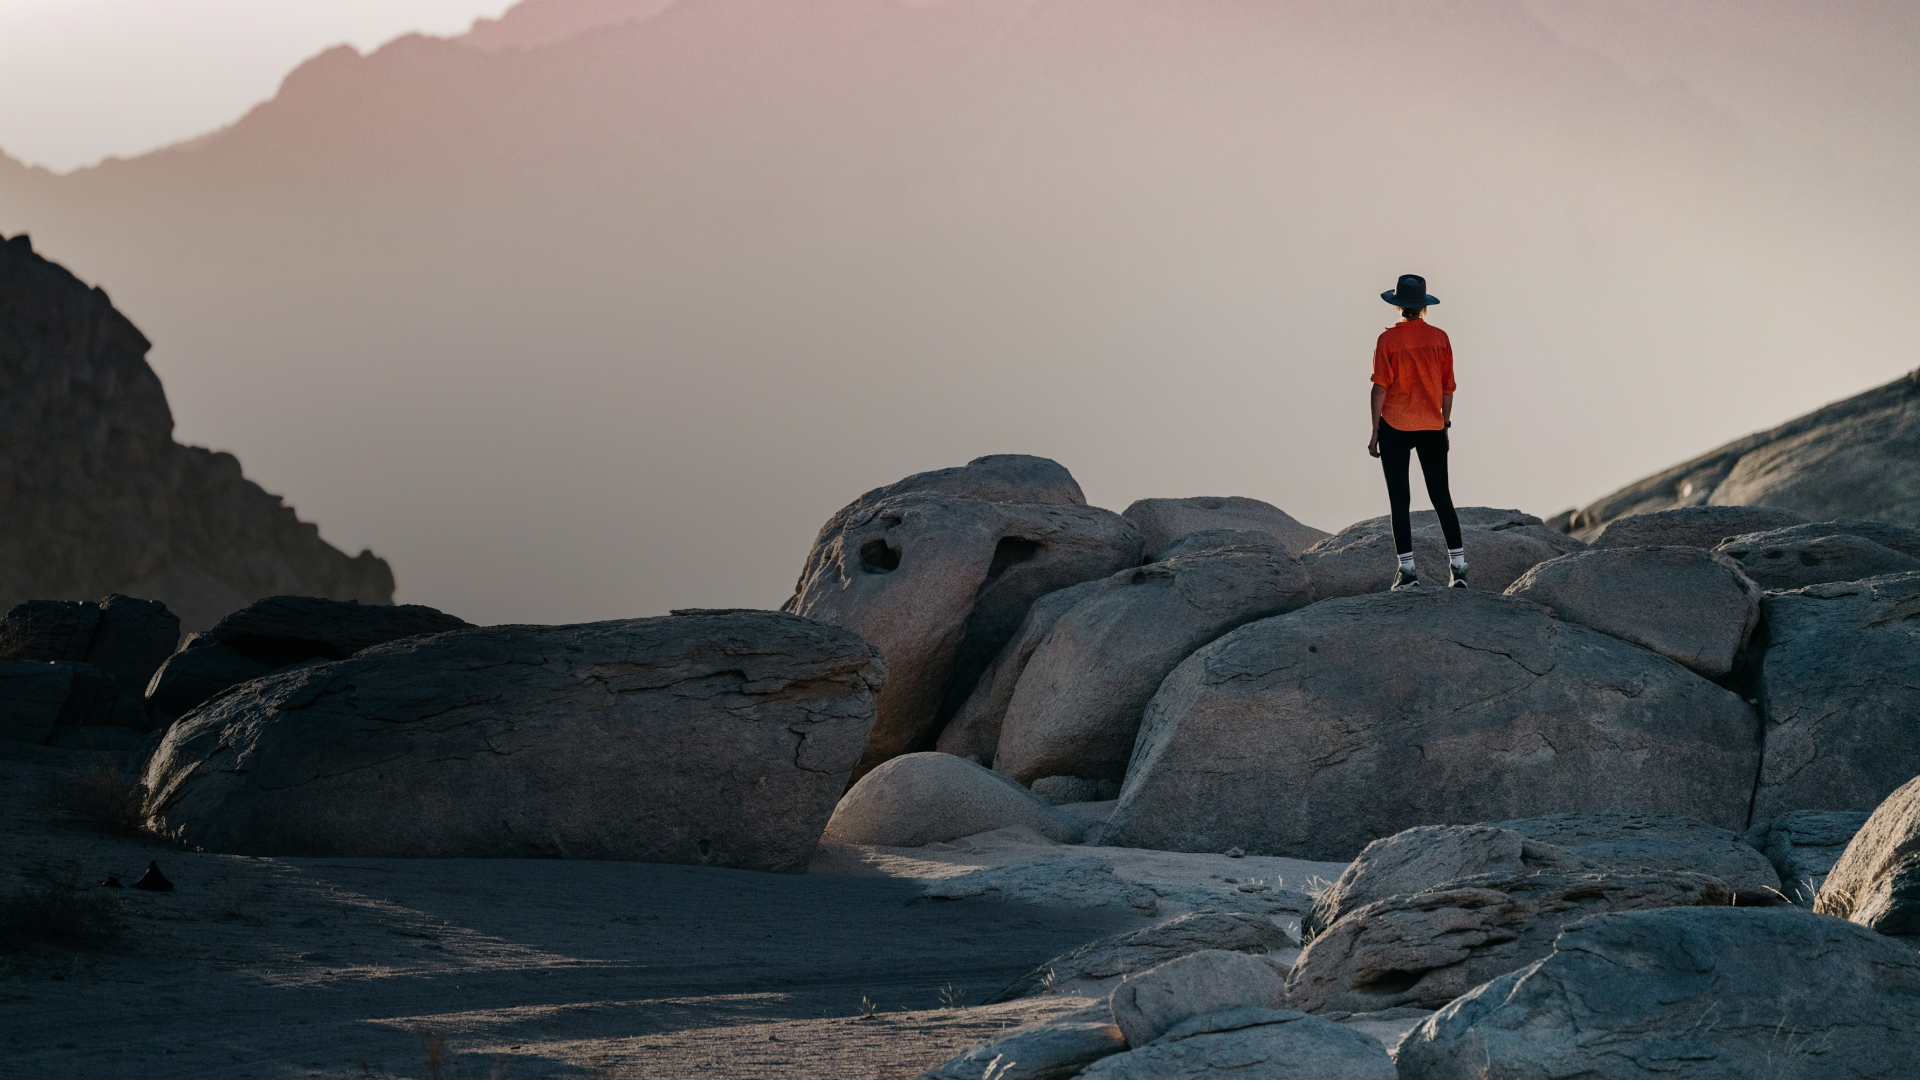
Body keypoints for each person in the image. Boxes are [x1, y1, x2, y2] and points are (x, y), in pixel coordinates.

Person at [1367, 273, 1465, 590]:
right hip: (1432, 426)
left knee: (1400, 500)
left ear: (1399, 306)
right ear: (1424, 306)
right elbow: (1448, 389)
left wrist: (1374, 430)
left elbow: (1379, 388)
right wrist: (1445, 423)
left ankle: (1408, 573)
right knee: (1441, 497)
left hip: (1395, 425)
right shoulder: (1440, 338)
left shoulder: (1388, 341)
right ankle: (1459, 567)